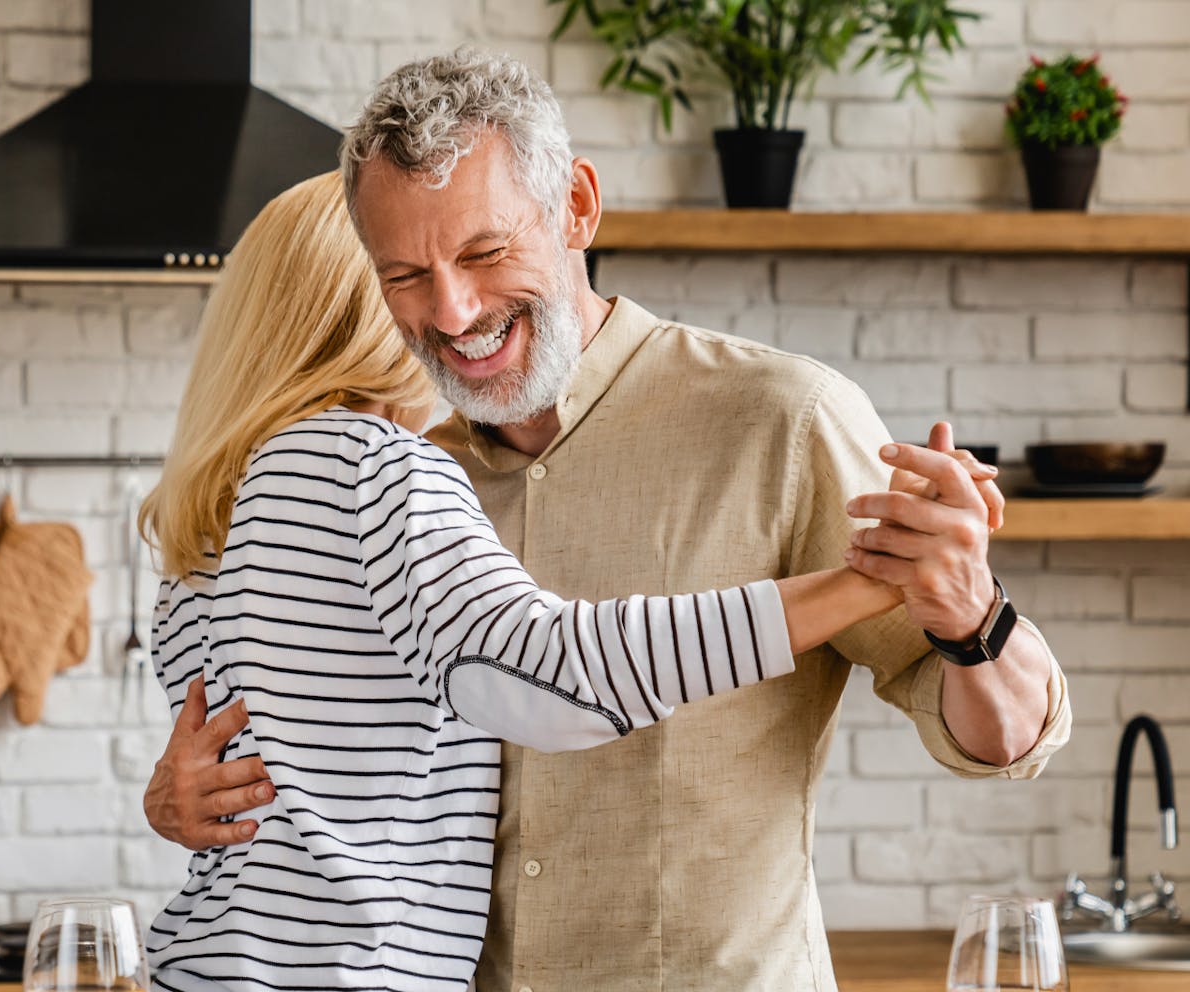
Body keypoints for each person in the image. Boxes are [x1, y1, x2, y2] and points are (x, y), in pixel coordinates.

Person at [142, 50, 1071, 992]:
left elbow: (1004, 741)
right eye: (406, 275)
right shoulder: (404, 470)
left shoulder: (781, 418)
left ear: (577, 206)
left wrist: (973, 614)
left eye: (485, 252)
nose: (454, 309)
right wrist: (187, 801)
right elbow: (332, 748)